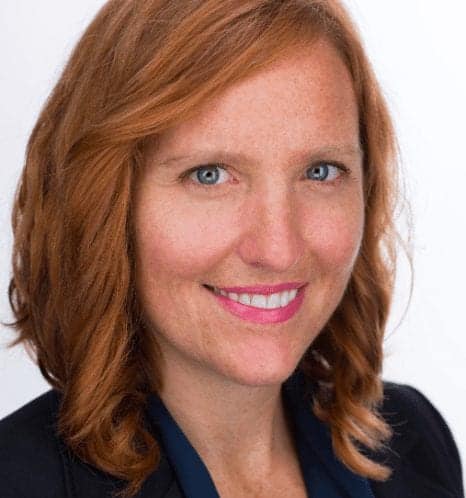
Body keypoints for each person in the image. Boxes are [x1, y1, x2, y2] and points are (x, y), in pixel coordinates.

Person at [0, 0, 463, 497]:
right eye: (210, 175)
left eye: (320, 171)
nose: (278, 248)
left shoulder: (413, 442)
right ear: (103, 206)